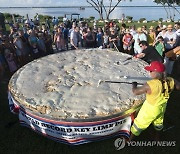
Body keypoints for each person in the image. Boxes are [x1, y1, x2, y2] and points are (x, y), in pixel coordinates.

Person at [130, 61, 180, 141]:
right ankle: (157, 138)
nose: (149, 72)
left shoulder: (150, 84)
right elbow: (178, 86)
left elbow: (135, 92)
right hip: (162, 107)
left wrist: (134, 85)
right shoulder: (171, 80)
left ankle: (130, 140)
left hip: (150, 109)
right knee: (159, 122)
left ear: (157, 73)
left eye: (151, 71)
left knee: (139, 124)